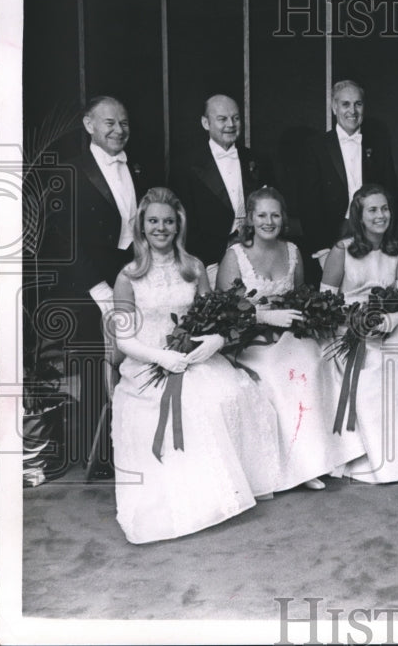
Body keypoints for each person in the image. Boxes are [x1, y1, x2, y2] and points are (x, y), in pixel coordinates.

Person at [109, 187, 279, 544]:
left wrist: (214, 340)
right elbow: (123, 340)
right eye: (153, 221)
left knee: (231, 391)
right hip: (149, 363)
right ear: (142, 225)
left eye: (168, 222)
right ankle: (193, 503)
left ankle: (227, 490)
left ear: (178, 227)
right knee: (188, 406)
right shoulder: (128, 275)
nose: (161, 228)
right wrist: (161, 357)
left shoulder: (194, 267)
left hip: (193, 356)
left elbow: (213, 317)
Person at [45, 95, 153, 478]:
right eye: (109, 123)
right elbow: (64, 240)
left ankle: (130, 444)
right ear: (89, 125)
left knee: (133, 356)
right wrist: (99, 290)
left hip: (129, 275)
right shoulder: (72, 170)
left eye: (123, 123)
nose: (118, 130)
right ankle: (98, 457)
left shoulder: (138, 167)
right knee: (94, 365)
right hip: (88, 282)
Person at [216, 187, 338, 492]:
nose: (268, 221)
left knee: (313, 360)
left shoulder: (293, 251)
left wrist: (298, 317)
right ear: (251, 220)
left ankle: (313, 461)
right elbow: (226, 313)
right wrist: (262, 317)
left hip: (286, 333)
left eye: (275, 214)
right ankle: (291, 467)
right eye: (262, 215)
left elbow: (299, 295)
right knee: (276, 372)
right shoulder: (235, 255)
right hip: (246, 338)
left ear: (283, 218)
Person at [320, 184, 398, 483]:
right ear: (359, 214)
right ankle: (368, 453)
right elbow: (326, 301)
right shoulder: (341, 250)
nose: (380, 215)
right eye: (372, 210)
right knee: (372, 369)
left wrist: (390, 320)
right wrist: (358, 320)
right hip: (349, 327)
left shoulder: (397, 249)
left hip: (389, 323)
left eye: (384, 209)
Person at [299, 80, 398, 260]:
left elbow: (390, 192)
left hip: (373, 231)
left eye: (358, 104)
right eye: (345, 104)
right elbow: (309, 203)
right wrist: (321, 249)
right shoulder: (316, 146)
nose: (352, 111)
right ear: (334, 107)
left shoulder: (379, 144)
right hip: (332, 234)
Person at [170, 94, 268, 274]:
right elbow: (184, 224)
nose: (231, 125)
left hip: (256, 256)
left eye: (236, 118)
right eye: (222, 119)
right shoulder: (186, 166)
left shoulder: (255, 159)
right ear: (205, 123)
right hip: (208, 262)